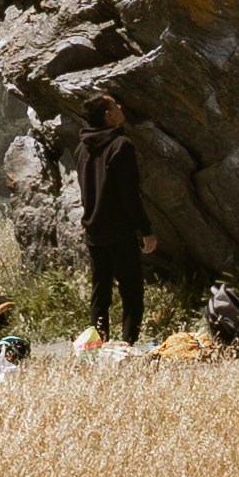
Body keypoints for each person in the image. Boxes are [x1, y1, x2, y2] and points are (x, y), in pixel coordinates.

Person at [76, 87, 154, 346]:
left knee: (100, 293)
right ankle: (127, 345)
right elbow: (129, 194)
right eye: (115, 105)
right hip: (120, 231)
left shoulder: (82, 148)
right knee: (131, 292)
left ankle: (97, 346)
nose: (121, 107)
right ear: (107, 115)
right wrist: (145, 229)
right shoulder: (121, 146)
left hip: (93, 231)